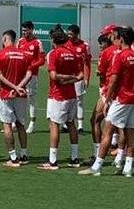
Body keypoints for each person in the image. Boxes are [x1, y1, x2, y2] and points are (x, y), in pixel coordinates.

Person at [79, 26, 134, 177]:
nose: (113, 40)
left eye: (115, 38)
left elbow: (113, 80)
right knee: (130, 132)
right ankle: (128, 168)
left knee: (108, 131)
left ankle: (97, 166)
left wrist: (108, 99)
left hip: (121, 99)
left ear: (121, 39)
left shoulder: (120, 56)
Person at [38, 25, 84, 171]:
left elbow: (53, 76)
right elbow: (81, 75)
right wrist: (71, 79)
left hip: (57, 96)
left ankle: (53, 161)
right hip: (71, 95)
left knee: (54, 125)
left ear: (53, 40)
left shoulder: (53, 54)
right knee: (71, 124)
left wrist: (65, 79)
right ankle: (74, 158)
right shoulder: (73, 54)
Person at [0, 29, 33, 167]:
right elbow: (29, 75)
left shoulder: (0, 54)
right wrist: (19, 87)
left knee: (7, 125)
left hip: (6, 95)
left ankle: (13, 157)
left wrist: (13, 88)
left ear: (5, 39)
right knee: (21, 125)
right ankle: (24, 154)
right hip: (21, 94)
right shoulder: (25, 55)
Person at [90, 25, 118, 162]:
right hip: (121, 93)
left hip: (108, 91)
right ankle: (121, 156)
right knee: (122, 126)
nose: (100, 46)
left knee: (95, 120)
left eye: (103, 42)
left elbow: (100, 72)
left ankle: (97, 154)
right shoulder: (126, 50)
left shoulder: (107, 53)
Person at [18, 21, 45, 134]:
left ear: (31, 30)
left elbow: (42, 60)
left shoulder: (37, 42)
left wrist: (31, 66)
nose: (24, 32)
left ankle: (32, 123)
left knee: (31, 100)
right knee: (18, 97)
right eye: (23, 30)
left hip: (32, 76)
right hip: (20, 75)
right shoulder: (20, 41)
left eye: (26, 30)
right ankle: (18, 122)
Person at [66, 25, 91, 133]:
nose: (69, 35)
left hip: (78, 77)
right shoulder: (65, 44)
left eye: (71, 34)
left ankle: (80, 125)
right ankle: (66, 124)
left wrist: (86, 78)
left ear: (76, 34)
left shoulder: (84, 45)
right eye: (68, 33)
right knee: (66, 100)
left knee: (79, 101)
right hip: (67, 77)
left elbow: (87, 63)